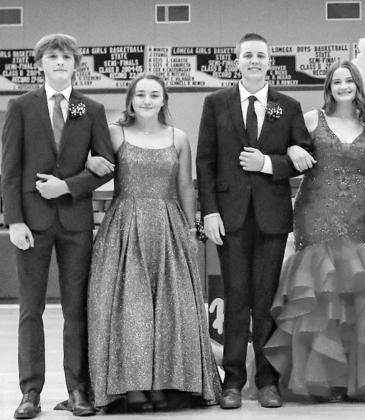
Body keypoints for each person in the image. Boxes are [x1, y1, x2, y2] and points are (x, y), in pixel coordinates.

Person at [263, 60, 365, 402]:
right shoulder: (312, 120)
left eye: (349, 81)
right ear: (328, 88)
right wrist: (294, 148)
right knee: (318, 293)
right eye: (336, 82)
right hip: (316, 211)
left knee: (355, 295)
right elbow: (285, 150)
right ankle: (317, 381)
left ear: (358, 86)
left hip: (360, 215)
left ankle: (351, 380)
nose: (343, 87)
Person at [84, 74, 222, 411]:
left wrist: (191, 230)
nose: (147, 100)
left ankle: (165, 384)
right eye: (141, 94)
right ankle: (131, 387)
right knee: (130, 310)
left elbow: (186, 188)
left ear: (164, 101)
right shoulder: (115, 134)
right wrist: (88, 160)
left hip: (168, 227)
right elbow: (94, 167)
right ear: (131, 99)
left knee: (171, 310)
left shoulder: (179, 138)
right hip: (124, 229)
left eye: (154, 94)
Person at [195, 32, 314, 410]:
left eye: (260, 55)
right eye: (247, 55)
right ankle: (232, 380)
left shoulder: (288, 105)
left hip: (272, 218)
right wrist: (209, 211)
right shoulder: (215, 103)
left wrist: (269, 163)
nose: (254, 61)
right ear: (237, 60)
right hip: (229, 218)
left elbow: (307, 156)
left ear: (269, 61)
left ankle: (267, 380)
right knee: (235, 298)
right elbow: (206, 162)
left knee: (266, 301)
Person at [1, 33, 114, 419]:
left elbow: (105, 167)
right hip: (31, 224)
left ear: (76, 64)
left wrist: (69, 186)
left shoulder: (92, 109)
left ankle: (78, 390)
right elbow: (10, 171)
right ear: (41, 63)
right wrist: (14, 220)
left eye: (67, 56)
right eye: (53, 56)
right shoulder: (20, 107)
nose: (60, 61)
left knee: (75, 309)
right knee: (30, 309)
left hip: (75, 222)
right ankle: (30, 392)